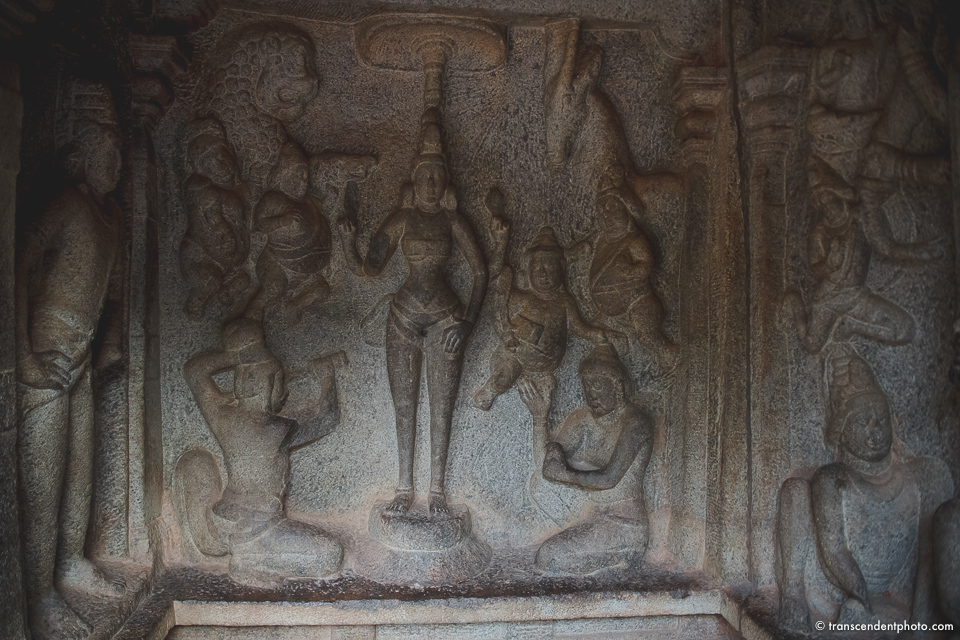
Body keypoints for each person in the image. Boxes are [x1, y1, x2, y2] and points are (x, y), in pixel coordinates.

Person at [338, 107, 487, 517]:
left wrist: (468, 323)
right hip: (403, 317)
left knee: (441, 406)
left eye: (437, 176)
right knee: (404, 406)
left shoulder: (453, 221)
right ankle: (404, 485)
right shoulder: (402, 218)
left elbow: (480, 271)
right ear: (414, 180)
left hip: (446, 319)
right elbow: (371, 268)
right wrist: (347, 243)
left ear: (445, 181)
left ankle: (437, 489)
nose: (431, 184)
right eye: (425, 176)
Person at [16, 81, 124, 640]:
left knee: (81, 470)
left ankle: (71, 562)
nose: (117, 158)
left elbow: (111, 291)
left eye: (119, 146)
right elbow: (16, 266)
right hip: (47, 359)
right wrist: (24, 358)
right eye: (107, 144)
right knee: (43, 483)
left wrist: (108, 345)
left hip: (79, 361)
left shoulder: (110, 217)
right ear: (80, 150)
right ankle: (39, 597)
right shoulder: (66, 203)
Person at [776, 350, 952, 630]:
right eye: (862, 421)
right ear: (841, 430)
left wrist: (919, 623)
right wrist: (866, 601)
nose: (876, 430)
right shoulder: (832, 479)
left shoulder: (925, 476)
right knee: (795, 492)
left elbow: (930, 558)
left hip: (893, 599)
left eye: (881, 419)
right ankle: (793, 595)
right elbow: (835, 553)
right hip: (834, 590)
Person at [474, 226, 613, 423]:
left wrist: (598, 335)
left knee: (548, 387)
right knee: (505, 374)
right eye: (537, 266)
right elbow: (498, 288)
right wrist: (501, 244)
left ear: (561, 269)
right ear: (528, 270)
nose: (543, 273)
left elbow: (578, 327)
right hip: (515, 357)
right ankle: (489, 392)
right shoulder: (523, 299)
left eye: (550, 266)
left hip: (546, 367)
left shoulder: (565, 301)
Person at [535, 345, 654, 574]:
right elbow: (547, 459)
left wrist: (563, 473)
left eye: (598, 385)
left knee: (549, 557)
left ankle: (625, 558)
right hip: (595, 514)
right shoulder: (583, 418)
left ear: (617, 386)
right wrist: (540, 421)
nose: (591, 394)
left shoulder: (635, 423)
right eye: (587, 386)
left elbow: (608, 479)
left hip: (623, 524)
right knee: (537, 486)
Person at [569, 180, 674, 359]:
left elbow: (647, 264)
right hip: (607, 311)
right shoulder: (600, 238)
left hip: (637, 302)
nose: (606, 215)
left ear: (627, 209)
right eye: (601, 212)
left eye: (612, 208)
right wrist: (569, 254)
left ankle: (669, 356)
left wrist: (628, 272)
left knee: (647, 336)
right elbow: (583, 247)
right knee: (593, 332)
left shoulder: (633, 240)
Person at [245, 142, 331, 324]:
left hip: (306, 269)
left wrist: (330, 199)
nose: (303, 181)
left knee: (322, 289)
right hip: (277, 262)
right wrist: (282, 221)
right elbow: (260, 224)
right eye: (298, 175)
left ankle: (295, 305)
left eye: (306, 178)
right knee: (275, 286)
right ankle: (254, 310)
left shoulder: (308, 203)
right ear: (284, 174)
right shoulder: (274, 199)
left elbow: (321, 205)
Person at [179, 117, 250, 320]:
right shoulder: (203, 191)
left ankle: (224, 296)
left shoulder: (234, 190)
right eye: (208, 162)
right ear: (200, 168)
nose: (220, 164)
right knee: (209, 280)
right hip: (201, 256)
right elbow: (212, 224)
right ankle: (196, 303)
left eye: (221, 154)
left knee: (243, 281)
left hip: (228, 262)